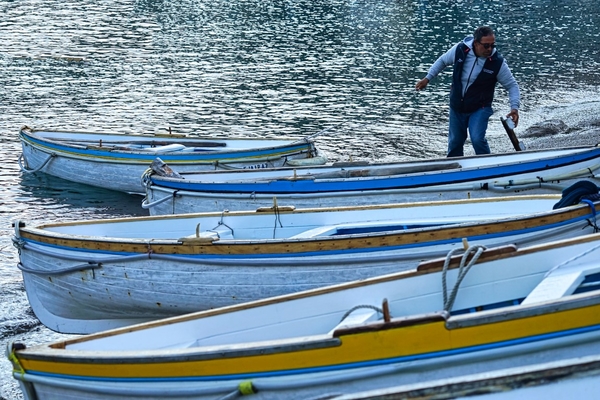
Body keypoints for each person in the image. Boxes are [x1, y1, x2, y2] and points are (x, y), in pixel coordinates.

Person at [415, 26, 520, 157]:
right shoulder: (460, 49)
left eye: (492, 45)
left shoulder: (497, 63)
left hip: (480, 107)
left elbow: (512, 86)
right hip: (457, 106)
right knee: (455, 142)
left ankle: (487, 167)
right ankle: (454, 170)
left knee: (477, 139)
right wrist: (427, 78)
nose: (490, 49)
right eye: (486, 46)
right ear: (476, 43)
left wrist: (514, 108)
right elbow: (442, 61)